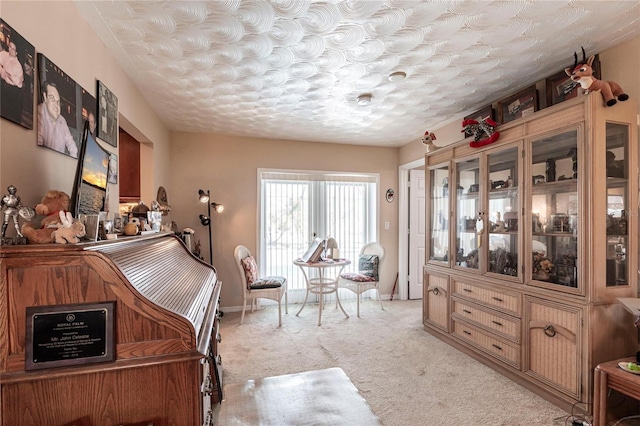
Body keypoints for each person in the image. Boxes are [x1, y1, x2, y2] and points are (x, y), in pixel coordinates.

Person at [37, 81, 78, 157]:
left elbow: (71, 144)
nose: (56, 105)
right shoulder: (38, 114)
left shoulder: (62, 120)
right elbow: (37, 150)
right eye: (52, 99)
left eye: (58, 102)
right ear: (45, 97)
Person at [0, 41, 25, 124]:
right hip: (3, 85)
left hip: (12, 91)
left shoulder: (18, 66)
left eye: (13, 49)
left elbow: (17, 82)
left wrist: (7, 74)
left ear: (16, 52)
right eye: (10, 47)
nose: (11, 50)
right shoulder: (4, 54)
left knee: (8, 114)